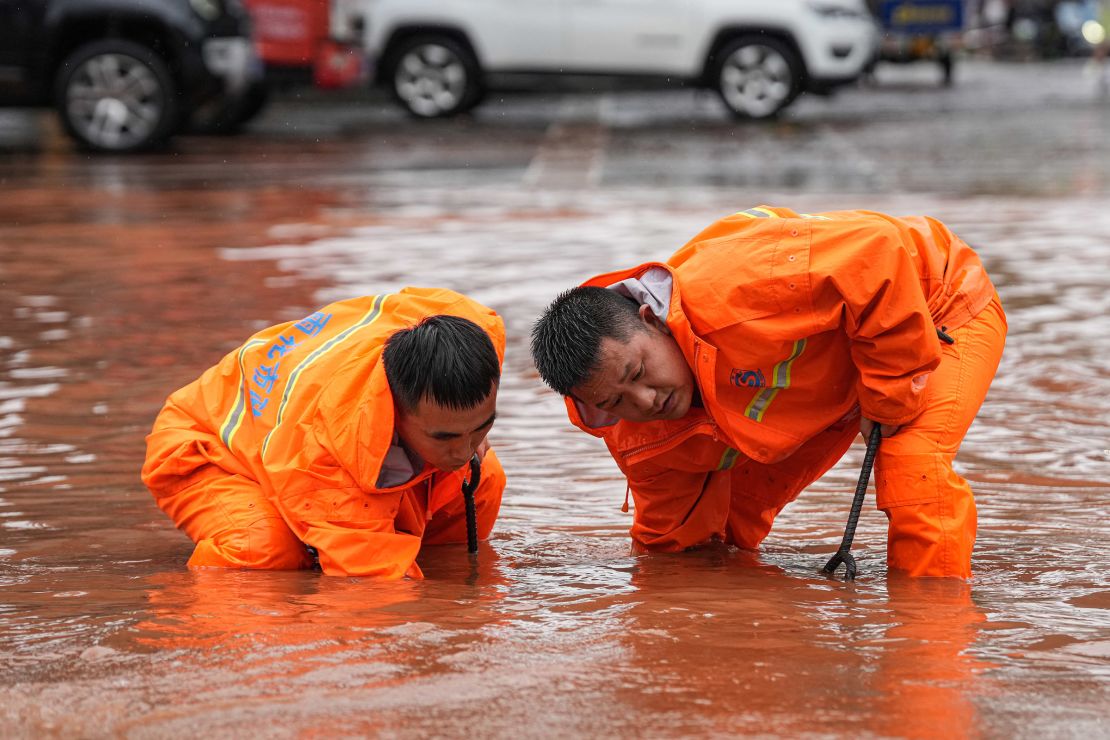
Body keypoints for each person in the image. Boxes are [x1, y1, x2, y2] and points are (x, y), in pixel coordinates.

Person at [531, 206, 1006, 578]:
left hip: (928, 304)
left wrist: (888, 394)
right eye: (616, 401)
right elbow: (670, 539)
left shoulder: (737, 287)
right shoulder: (637, 435)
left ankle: (930, 637)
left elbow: (876, 252)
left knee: (911, 465)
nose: (645, 401)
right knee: (717, 536)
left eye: (638, 372)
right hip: (829, 364)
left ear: (650, 320)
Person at [142, 288, 506, 578]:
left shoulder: (476, 330)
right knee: (266, 553)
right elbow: (375, 598)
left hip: (290, 425)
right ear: (395, 409)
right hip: (208, 443)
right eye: (445, 437)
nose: (462, 452)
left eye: (481, 426)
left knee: (481, 480)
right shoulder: (327, 468)